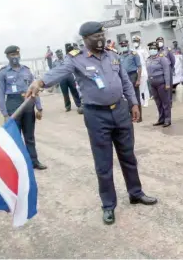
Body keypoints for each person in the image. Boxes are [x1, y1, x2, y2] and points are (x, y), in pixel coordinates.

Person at [26, 21, 157, 225]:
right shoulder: (76, 60)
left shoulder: (113, 55)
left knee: (128, 156)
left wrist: (133, 103)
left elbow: (125, 82)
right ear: (85, 40)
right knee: (103, 164)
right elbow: (59, 72)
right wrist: (40, 82)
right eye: (96, 36)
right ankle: (108, 205)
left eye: (102, 35)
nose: (100, 39)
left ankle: (136, 193)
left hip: (120, 111)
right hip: (97, 116)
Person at [0, 45, 47, 170]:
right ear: (7, 56)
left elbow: (35, 90)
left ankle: (34, 161)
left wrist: (39, 108)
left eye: (17, 54)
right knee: (15, 137)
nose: (15, 57)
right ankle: (17, 165)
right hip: (13, 104)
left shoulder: (26, 70)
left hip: (28, 103)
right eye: (12, 55)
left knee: (29, 136)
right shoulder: (2, 73)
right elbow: (0, 95)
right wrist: (5, 114)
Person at [146, 42, 172, 127]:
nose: (152, 50)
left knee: (165, 102)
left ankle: (167, 119)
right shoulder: (148, 59)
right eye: (150, 49)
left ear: (157, 50)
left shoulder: (162, 58)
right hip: (153, 84)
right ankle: (161, 119)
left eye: (154, 49)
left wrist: (167, 84)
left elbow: (166, 71)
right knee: (158, 102)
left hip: (161, 83)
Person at [119, 40, 143, 122]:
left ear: (128, 45)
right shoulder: (120, 55)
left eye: (125, 45)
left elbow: (139, 67)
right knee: (127, 97)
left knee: (135, 96)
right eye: (122, 46)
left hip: (133, 76)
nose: (123, 46)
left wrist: (138, 79)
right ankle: (132, 115)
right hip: (124, 77)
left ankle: (139, 117)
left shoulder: (134, 54)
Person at [53, 49, 83, 114]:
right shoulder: (55, 63)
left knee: (74, 91)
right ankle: (68, 107)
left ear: (62, 53)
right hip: (62, 79)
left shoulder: (67, 59)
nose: (60, 55)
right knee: (65, 94)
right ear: (57, 55)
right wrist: (56, 82)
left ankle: (79, 105)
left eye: (60, 54)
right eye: (58, 54)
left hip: (70, 77)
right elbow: (55, 72)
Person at [132, 35, 150, 107]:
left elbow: (147, 60)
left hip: (143, 69)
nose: (135, 42)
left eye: (136, 41)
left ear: (139, 42)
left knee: (144, 86)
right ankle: (141, 101)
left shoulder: (143, 50)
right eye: (134, 41)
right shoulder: (132, 50)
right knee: (138, 87)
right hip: (135, 70)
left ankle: (146, 101)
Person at [156, 37, 175, 105]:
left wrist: (171, 68)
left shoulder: (167, 49)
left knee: (169, 85)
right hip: (159, 70)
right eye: (158, 41)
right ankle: (164, 101)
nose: (160, 42)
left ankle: (169, 101)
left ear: (163, 41)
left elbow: (173, 60)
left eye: (161, 41)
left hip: (168, 69)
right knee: (162, 86)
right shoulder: (155, 50)